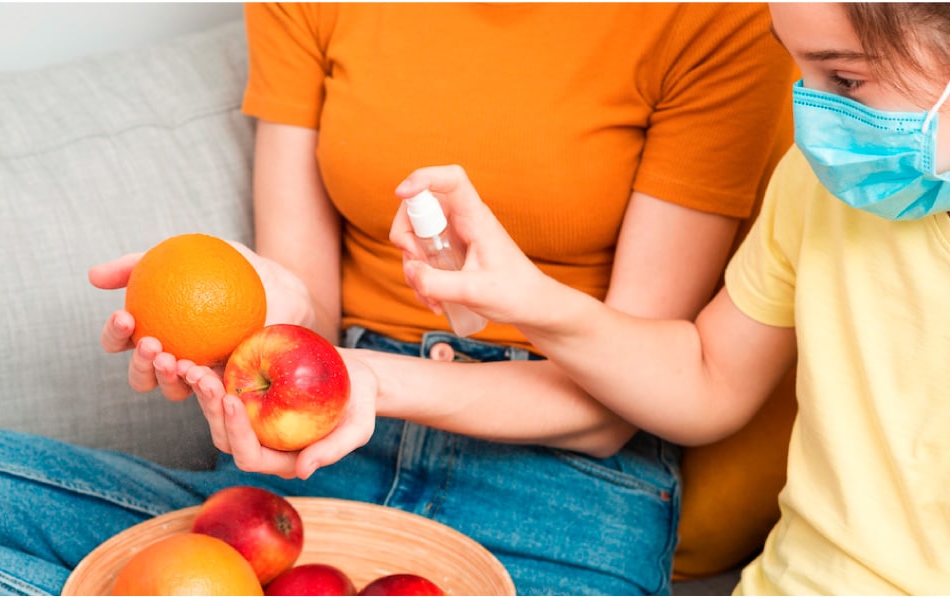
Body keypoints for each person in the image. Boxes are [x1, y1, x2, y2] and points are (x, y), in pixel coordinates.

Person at [0, 4, 792, 595]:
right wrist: (241, 302)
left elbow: (614, 401)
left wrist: (367, 381)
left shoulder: (720, 19)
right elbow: (301, 302)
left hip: (562, 495)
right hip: (318, 475)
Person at [391, 3, 950, 594]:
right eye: (800, 71)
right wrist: (524, 296)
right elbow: (708, 377)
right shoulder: (812, 186)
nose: (813, 116)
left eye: (845, 80)